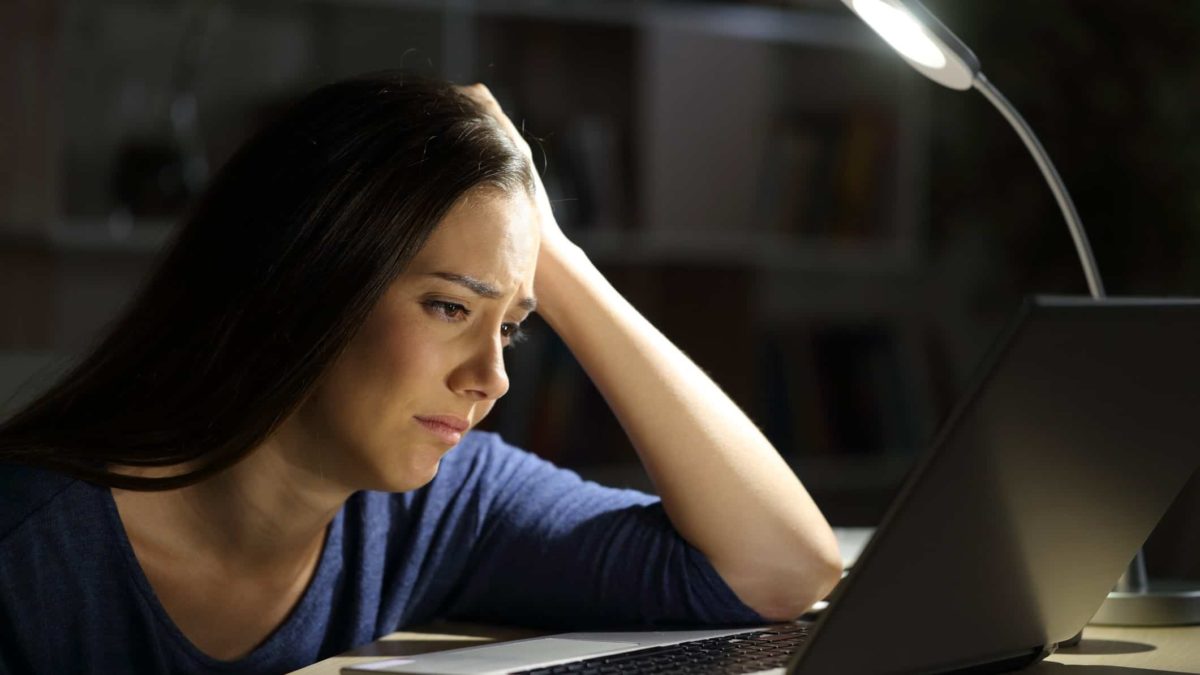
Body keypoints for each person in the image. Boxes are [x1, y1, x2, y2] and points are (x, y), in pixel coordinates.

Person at [0, 71, 840, 673]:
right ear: (306, 278)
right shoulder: (27, 552)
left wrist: (554, 255)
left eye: (511, 328)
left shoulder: (440, 507)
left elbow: (781, 570)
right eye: (448, 307)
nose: (492, 377)